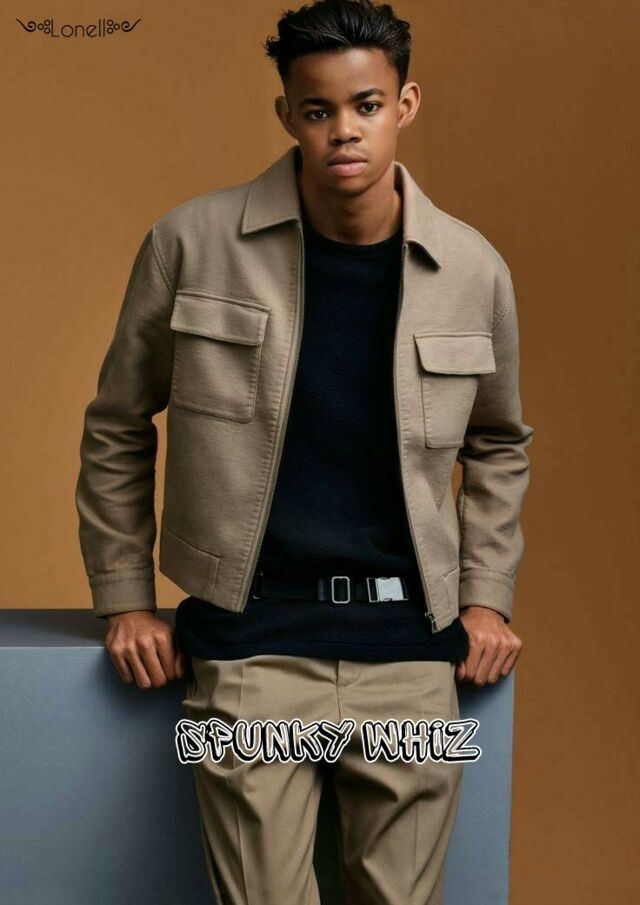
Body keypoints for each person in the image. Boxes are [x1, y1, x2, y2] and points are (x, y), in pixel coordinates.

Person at [75, 1, 534, 902]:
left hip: (410, 654)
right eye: (318, 110)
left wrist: (486, 594)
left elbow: (499, 442)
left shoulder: (472, 269)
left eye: (366, 105)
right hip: (250, 649)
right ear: (286, 113)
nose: (343, 131)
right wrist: (124, 597)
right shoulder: (189, 243)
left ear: (405, 105)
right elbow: (117, 423)